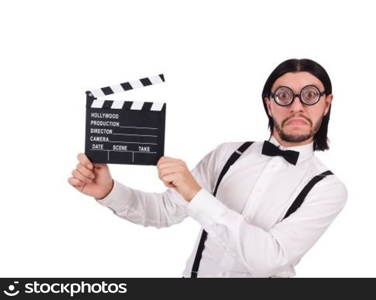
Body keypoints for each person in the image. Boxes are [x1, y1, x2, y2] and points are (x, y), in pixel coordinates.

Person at [68, 58, 347, 277]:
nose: (297, 106)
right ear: (269, 104)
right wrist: (108, 191)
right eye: (284, 96)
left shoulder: (328, 189)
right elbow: (163, 212)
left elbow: (268, 259)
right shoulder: (228, 154)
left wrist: (196, 194)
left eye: (309, 95)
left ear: (326, 103)